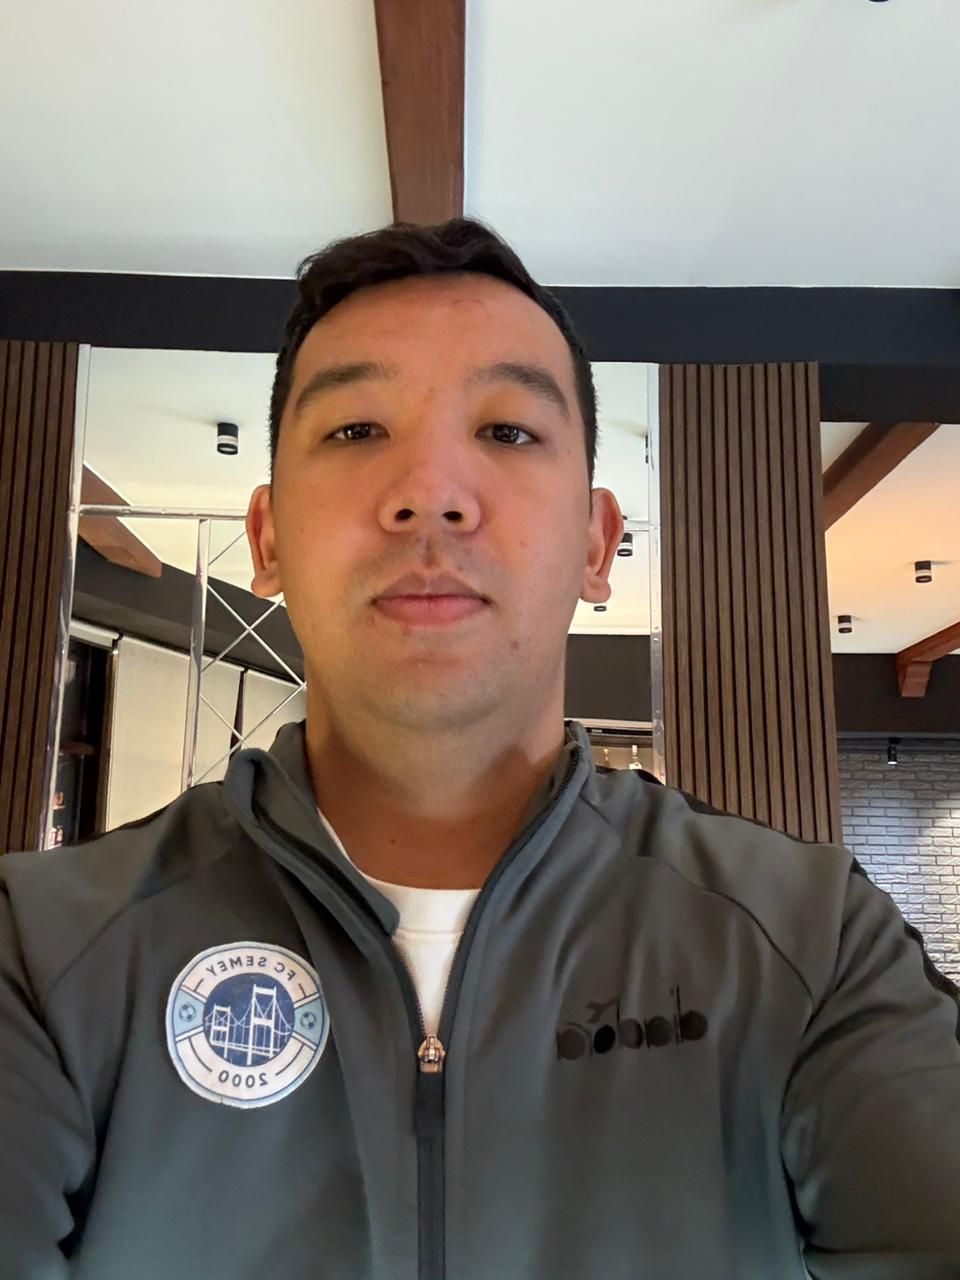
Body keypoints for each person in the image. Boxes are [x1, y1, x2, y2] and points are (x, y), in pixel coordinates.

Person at [1, 217, 958, 1280]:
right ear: (267, 539)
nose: (432, 492)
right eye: (356, 429)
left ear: (596, 543)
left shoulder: (813, 944)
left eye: (507, 430)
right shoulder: (41, 954)